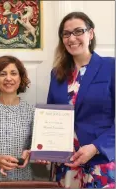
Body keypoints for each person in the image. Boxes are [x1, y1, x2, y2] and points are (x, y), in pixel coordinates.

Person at [47, 11, 115, 188]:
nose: (72, 38)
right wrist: (43, 149)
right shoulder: (57, 75)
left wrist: (95, 147)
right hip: (66, 163)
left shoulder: (111, 67)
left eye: (78, 31)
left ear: (90, 34)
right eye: (66, 34)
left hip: (100, 160)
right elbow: (49, 117)